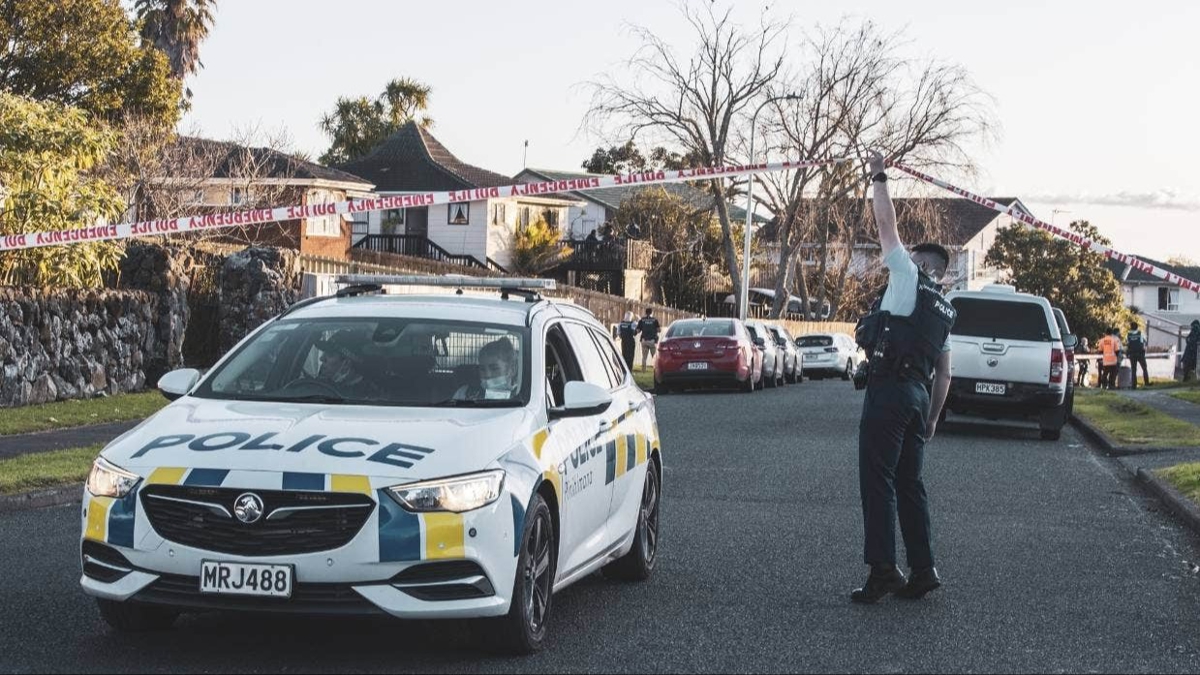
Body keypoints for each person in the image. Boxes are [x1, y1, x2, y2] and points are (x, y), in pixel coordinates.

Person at [850, 151, 957, 604]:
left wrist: (878, 175)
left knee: (878, 479)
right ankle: (924, 568)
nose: (898, 258)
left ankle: (882, 570)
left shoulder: (908, 276)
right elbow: (945, 373)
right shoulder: (946, 308)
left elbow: (885, 224)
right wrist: (931, 420)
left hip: (890, 391)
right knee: (910, 484)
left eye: (907, 257)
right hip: (917, 399)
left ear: (920, 263)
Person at [313, 331, 380, 397]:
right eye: (324, 353)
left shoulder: (371, 396)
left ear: (347, 363)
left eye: (330, 355)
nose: (321, 358)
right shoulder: (320, 385)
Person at [454, 339, 521, 400]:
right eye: (482, 369)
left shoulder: (521, 396)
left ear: (512, 370)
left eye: (494, 369)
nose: (487, 374)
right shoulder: (464, 393)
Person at [1126, 320, 1150, 389]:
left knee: (1133, 370)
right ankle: (1146, 383)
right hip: (1140, 354)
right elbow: (1145, 341)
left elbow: (1128, 344)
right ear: (1137, 327)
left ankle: (1134, 385)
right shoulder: (1141, 333)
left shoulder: (1128, 335)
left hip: (1132, 354)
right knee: (1144, 368)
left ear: (1131, 327)